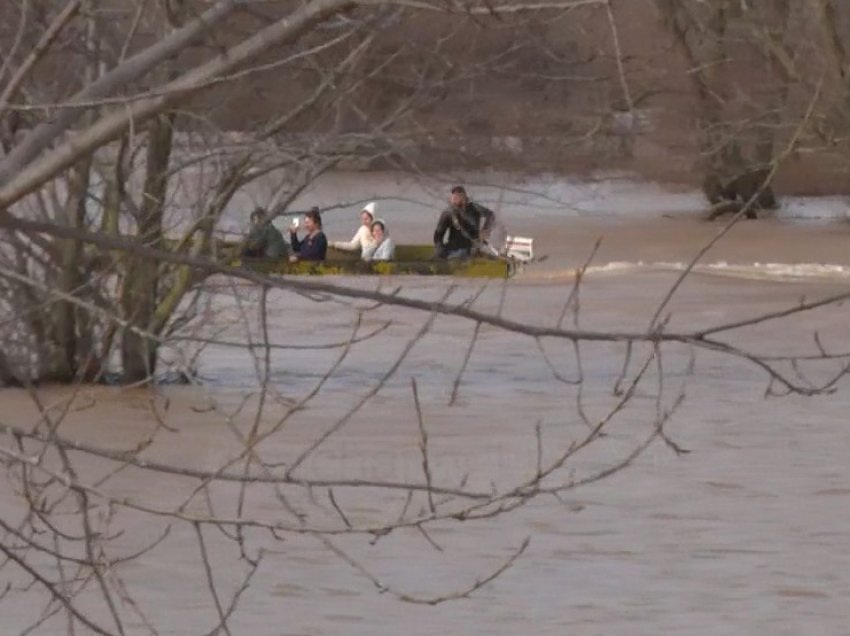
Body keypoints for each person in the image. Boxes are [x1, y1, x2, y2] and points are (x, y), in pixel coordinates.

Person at [433, 185, 495, 259]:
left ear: (464, 196)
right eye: (453, 197)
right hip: (453, 246)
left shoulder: (474, 208)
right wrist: (439, 247)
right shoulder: (448, 213)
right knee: (439, 257)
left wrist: (485, 229)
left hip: (471, 246)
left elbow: (491, 215)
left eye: (458, 196)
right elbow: (438, 234)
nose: (454, 199)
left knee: (459, 255)